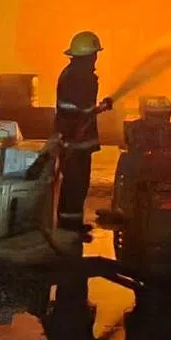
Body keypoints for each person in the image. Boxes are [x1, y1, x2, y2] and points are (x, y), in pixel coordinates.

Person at [55, 31, 112, 233]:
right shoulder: (82, 77)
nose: (96, 58)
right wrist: (103, 106)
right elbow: (84, 110)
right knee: (76, 186)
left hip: (72, 140)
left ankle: (71, 225)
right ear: (88, 56)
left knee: (75, 185)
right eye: (95, 54)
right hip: (75, 142)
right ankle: (69, 228)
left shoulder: (71, 73)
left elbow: (79, 108)